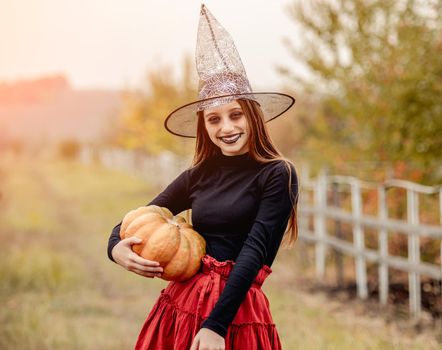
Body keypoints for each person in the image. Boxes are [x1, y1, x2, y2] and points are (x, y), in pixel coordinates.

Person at [107, 4, 299, 350]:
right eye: (214, 119)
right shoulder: (198, 176)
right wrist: (114, 248)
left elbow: (254, 253)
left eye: (235, 115)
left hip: (234, 314)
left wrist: (216, 326)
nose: (226, 127)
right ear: (204, 127)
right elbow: (142, 218)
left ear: (253, 117)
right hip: (181, 305)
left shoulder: (276, 175)